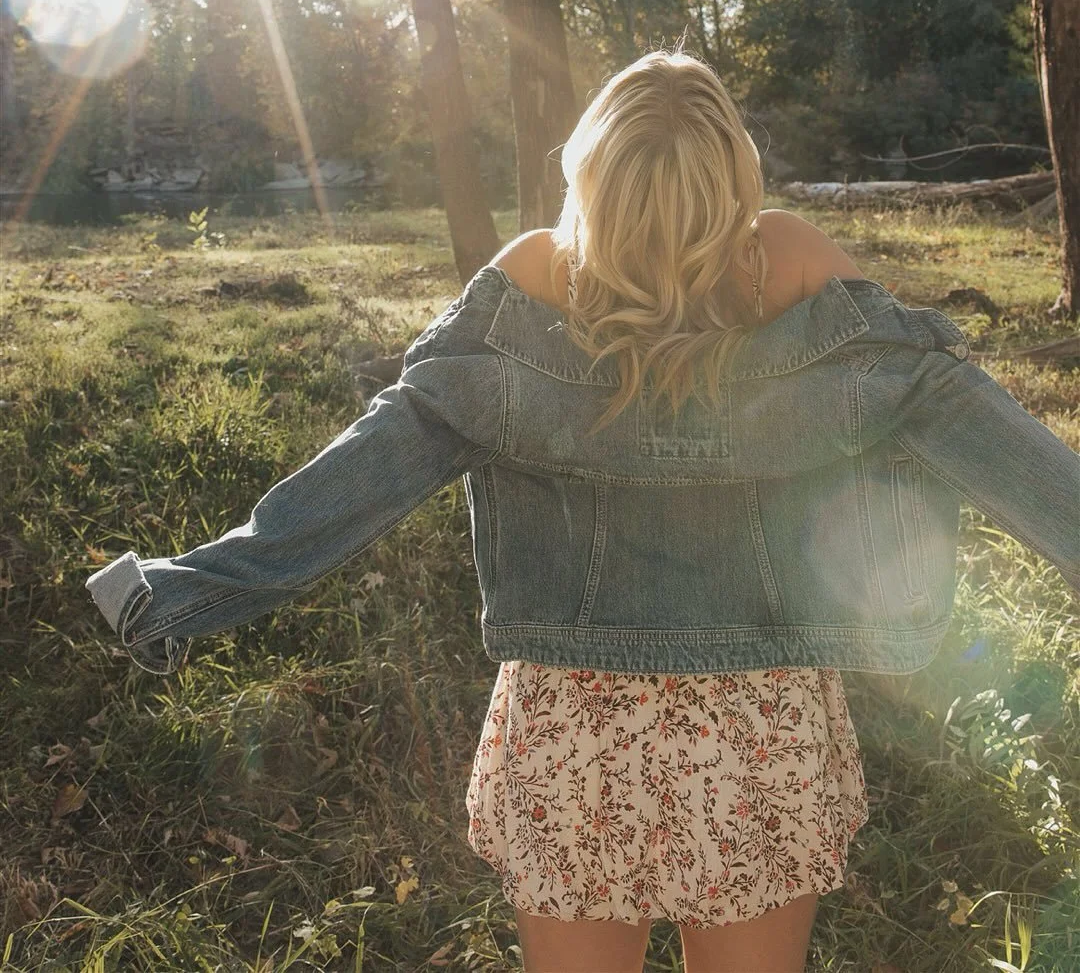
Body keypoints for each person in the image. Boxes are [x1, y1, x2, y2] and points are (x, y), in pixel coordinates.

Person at [86, 51, 1079, 973]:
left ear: (591, 174)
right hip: (759, 725)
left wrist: (184, 594)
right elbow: (960, 415)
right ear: (732, 179)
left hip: (572, 727)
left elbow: (381, 454)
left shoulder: (535, 278)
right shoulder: (786, 262)